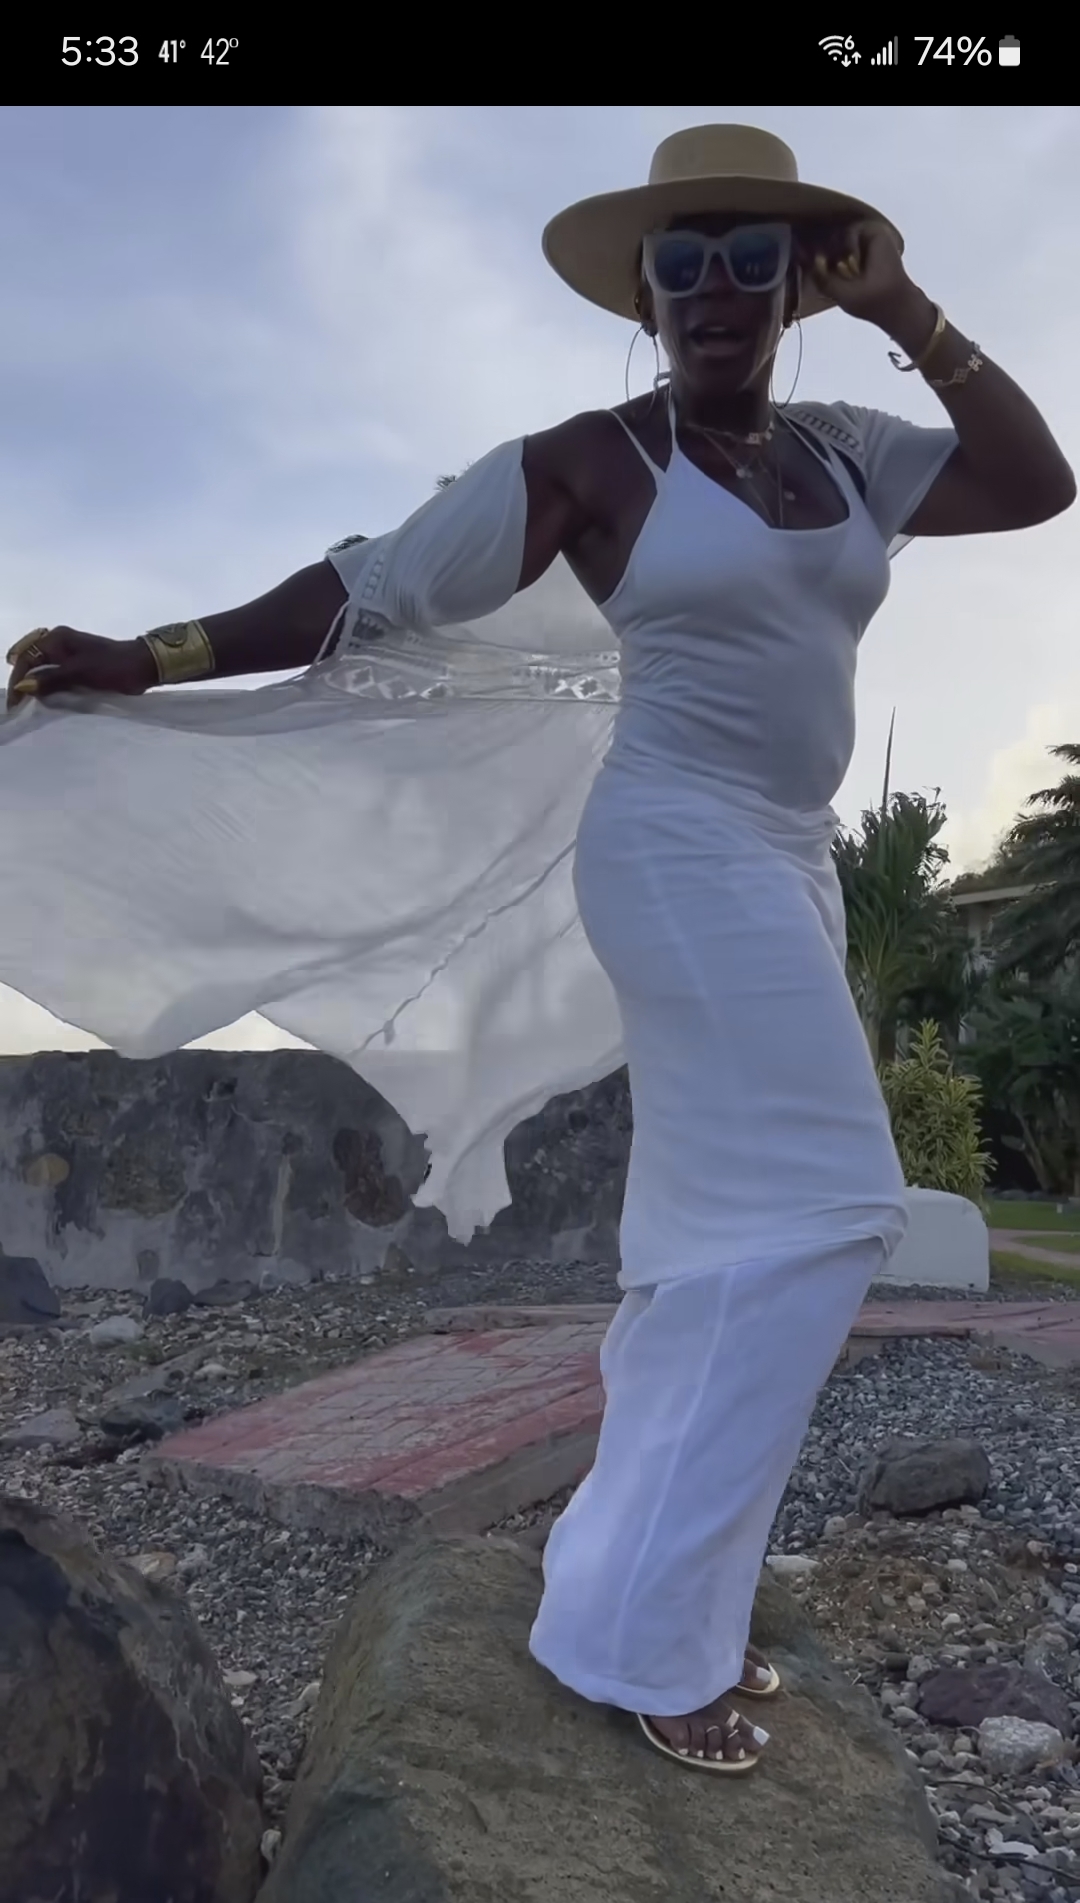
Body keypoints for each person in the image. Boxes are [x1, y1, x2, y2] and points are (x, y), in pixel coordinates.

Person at [4, 125, 1074, 1774]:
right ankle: (642, 1639)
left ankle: (637, 1593)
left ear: (798, 282)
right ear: (643, 293)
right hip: (677, 846)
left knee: (703, 1250)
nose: (713, 289)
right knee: (829, 1212)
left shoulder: (850, 454)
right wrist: (155, 655)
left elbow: (1038, 481)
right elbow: (377, 587)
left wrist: (906, 308)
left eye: (749, 257)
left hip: (791, 863)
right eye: (680, 261)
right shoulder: (595, 464)